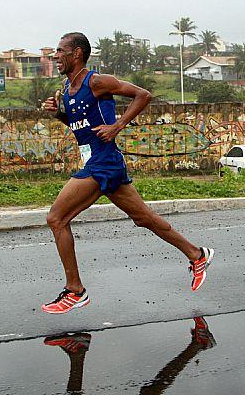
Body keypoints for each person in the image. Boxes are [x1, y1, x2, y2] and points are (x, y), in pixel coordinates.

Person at [40, 32, 214, 314]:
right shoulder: (68, 87)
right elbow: (78, 125)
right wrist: (58, 113)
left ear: (77, 54)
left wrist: (117, 126)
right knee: (144, 218)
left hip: (103, 162)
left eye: (60, 51)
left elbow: (143, 95)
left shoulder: (96, 81)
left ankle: (75, 290)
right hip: (99, 161)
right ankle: (197, 254)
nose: (55, 56)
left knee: (56, 218)